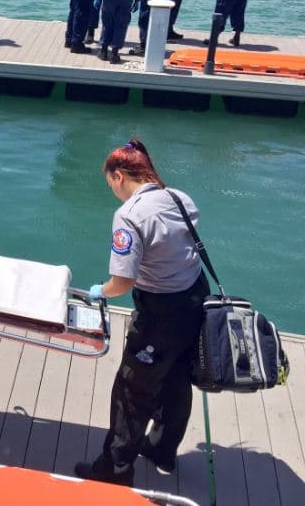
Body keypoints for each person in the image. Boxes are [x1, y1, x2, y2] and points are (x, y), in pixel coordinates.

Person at [74, 139, 210, 487]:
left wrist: (98, 292)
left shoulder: (129, 215)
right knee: (177, 379)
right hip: (195, 299)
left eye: (111, 185)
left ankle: (114, 470)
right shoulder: (180, 197)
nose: (114, 194)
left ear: (119, 176)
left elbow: (122, 281)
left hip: (159, 314)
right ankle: (162, 449)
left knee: (132, 392)